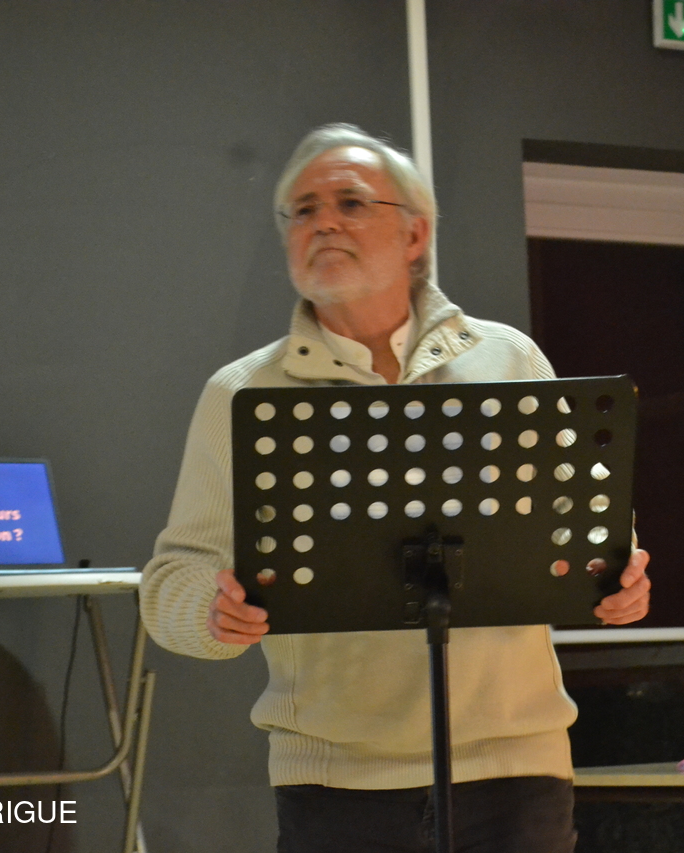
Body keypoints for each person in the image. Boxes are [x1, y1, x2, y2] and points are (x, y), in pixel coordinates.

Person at [141, 123, 651, 853]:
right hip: (334, 783)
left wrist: (618, 580)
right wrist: (212, 612)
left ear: (416, 234)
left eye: (350, 202)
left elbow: (597, 534)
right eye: (304, 210)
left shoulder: (509, 359)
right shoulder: (241, 392)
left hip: (516, 769)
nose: (324, 223)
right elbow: (169, 583)